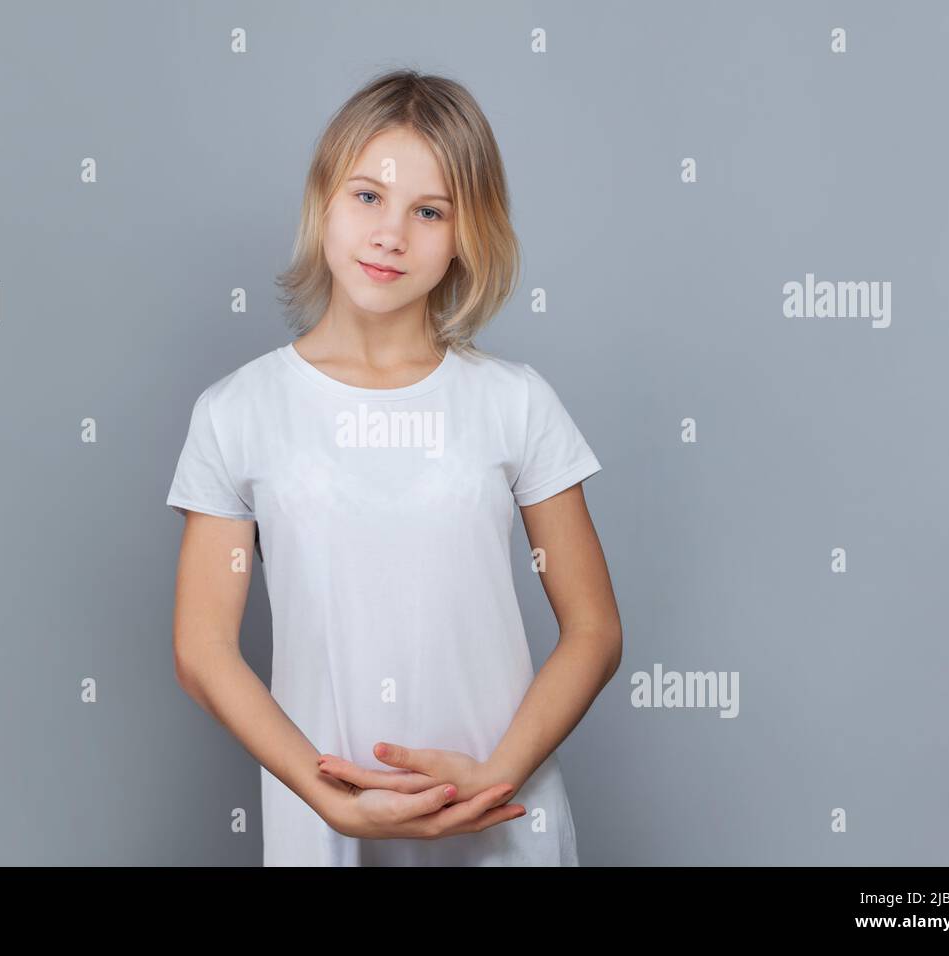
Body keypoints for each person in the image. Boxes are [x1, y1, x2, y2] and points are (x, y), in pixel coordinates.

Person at [167, 69, 622, 866]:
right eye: (368, 197)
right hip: (327, 830)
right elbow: (203, 650)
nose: (391, 234)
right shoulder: (237, 412)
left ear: (465, 234)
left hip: (503, 819)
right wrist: (326, 795)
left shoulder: (515, 402)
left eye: (429, 210)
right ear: (323, 201)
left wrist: (493, 779)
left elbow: (593, 630)